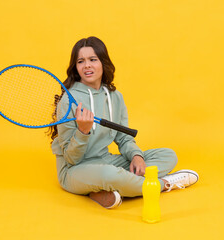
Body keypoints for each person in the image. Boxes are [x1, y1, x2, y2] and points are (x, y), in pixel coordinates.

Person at [49, 36, 199, 209]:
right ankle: (162, 184)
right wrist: (83, 132)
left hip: (105, 161)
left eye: (92, 59)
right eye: (81, 61)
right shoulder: (69, 101)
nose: (87, 65)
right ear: (76, 67)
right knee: (108, 174)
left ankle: (110, 188)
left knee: (168, 155)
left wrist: (137, 156)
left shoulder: (115, 96)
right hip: (74, 170)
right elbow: (70, 159)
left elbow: (124, 138)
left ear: (103, 62)